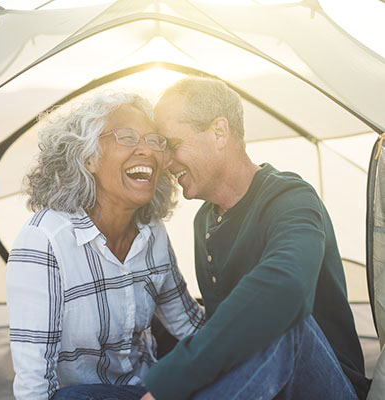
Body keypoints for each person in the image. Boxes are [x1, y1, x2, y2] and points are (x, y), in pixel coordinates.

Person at [140, 77, 371, 400]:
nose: (164, 162)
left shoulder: (291, 198)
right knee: (82, 395)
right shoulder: (204, 220)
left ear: (219, 132)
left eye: (173, 145)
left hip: (323, 386)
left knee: (281, 317)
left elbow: (286, 288)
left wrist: (170, 382)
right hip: (256, 386)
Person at [6, 92, 204, 400]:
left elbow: (190, 325)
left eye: (154, 141)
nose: (146, 150)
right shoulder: (45, 240)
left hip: (146, 389)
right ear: (88, 158)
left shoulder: (153, 233)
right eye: (126, 137)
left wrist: (255, 335)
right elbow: (34, 380)